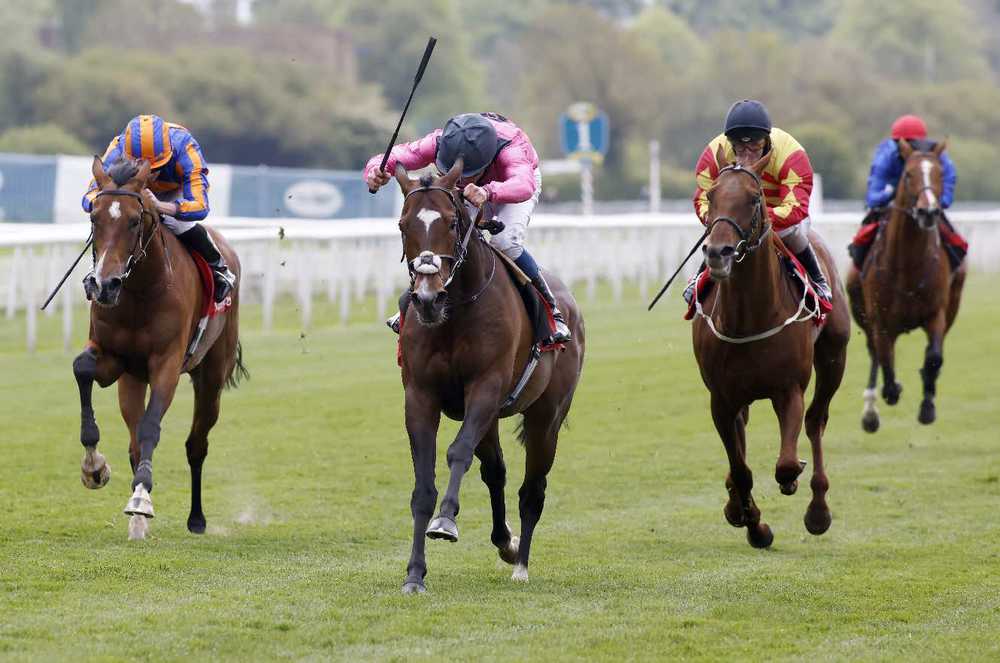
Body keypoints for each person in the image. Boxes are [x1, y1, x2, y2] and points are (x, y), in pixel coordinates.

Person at [365, 112, 571, 343]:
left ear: (485, 163)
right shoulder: (439, 141)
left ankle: (551, 312)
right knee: (448, 235)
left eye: (466, 175)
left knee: (506, 242)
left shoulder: (512, 147)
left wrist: (488, 192)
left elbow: (523, 184)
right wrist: (375, 171)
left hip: (513, 183)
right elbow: (394, 157)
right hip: (480, 186)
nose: (460, 180)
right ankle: (416, 299)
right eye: (450, 170)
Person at [83, 114, 236, 303]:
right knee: (113, 223)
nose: (149, 175)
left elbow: (200, 206)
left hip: (174, 193)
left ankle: (219, 268)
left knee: (179, 224)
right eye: (141, 166)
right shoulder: (118, 147)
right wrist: (103, 207)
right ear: (127, 155)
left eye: (156, 168)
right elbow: (90, 195)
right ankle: (97, 271)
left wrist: (161, 206)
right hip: (131, 193)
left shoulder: (185, 148)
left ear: (168, 154)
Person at [688, 99, 830, 302]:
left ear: (766, 141)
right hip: (736, 219)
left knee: (795, 232)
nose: (747, 156)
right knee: (718, 239)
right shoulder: (713, 154)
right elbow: (702, 199)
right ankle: (698, 281)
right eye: (739, 147)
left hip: (780, 219)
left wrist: (759, 218)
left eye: (754, 146)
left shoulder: (792, 154)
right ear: (730, 144)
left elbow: (795, 209)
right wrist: (721, 218)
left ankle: (818, 280)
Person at [847, 114, 966, 270]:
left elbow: (949, 177)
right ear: (896, 143)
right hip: (891, 205)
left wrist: (940, 200)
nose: (909, 147)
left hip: (926, 204)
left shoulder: (934, 154)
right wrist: (890, 193)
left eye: (914, 143)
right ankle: (858, 279)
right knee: (859, 244)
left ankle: (954, 279)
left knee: (957, 246)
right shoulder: (886, 155)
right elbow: (873, 197)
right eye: (903, 143)